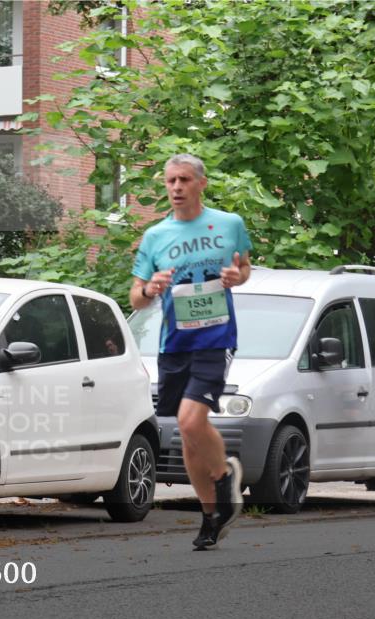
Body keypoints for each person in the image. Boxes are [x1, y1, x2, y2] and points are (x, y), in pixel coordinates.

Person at [130, 154, 252, 550]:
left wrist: (237, 276)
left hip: (216, 338)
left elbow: (244, 268)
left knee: (190, 419)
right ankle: (211, 515)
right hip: (174, 344)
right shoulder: (155, 236)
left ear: (201, 183)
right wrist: (151, 289)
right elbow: (135, 297)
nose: (176, 187)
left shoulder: (229, 224)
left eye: (184, 180)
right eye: (170, 181)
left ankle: (223, 477)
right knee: (186, 433)